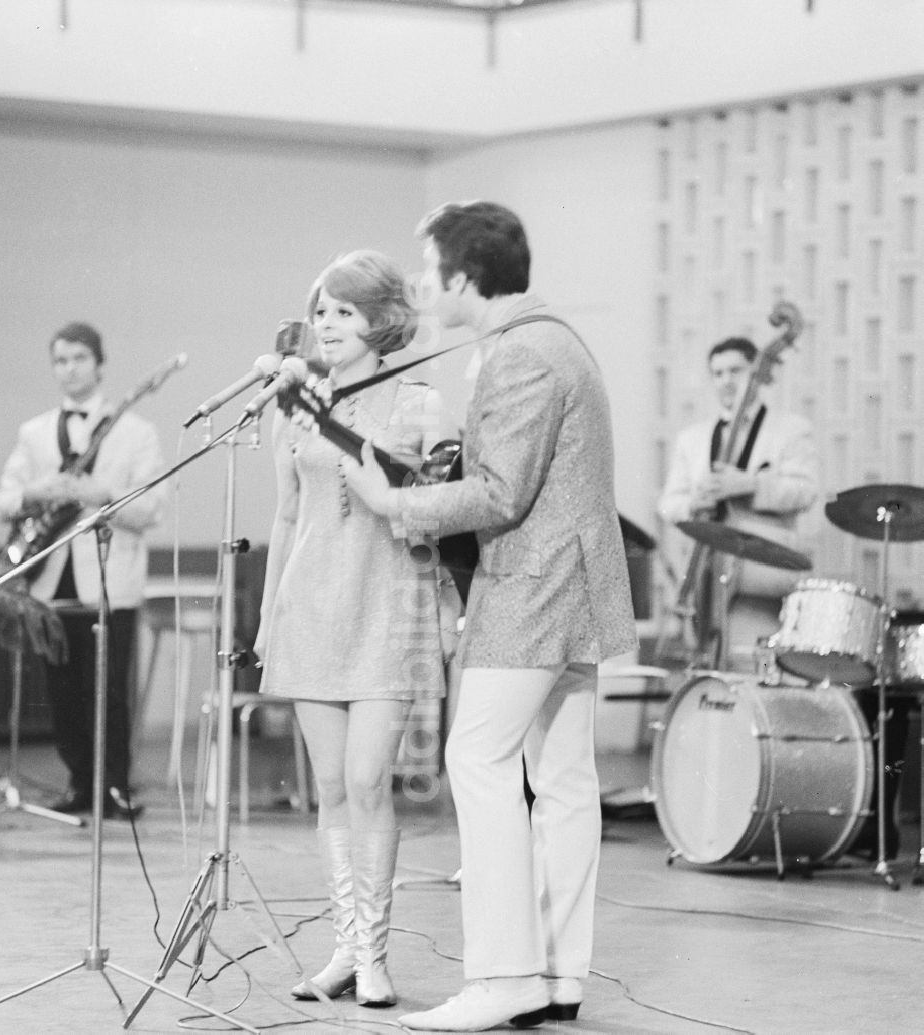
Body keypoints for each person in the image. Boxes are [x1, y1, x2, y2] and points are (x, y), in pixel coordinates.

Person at [343, 202, 637, 1031]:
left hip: (535, 588)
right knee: (564, 780)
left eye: (431, 272)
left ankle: (506, 975)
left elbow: (501, 493)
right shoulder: (546, 339)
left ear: (466, 278)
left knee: (477, 756)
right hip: (564, 583)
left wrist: (387, 497)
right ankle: (554, 972)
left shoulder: (523, 353)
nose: (423, 286)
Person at [256, 250, 447, 1008]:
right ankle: (344, 947)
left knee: (370, 781)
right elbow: (284, 516)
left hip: (386, 603)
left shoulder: (419, 399)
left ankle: (374, 953)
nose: (327, 323)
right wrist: (269, 615)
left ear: (380, 320)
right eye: (321, 310)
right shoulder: (295, 405)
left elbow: (430, 498)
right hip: (310, 605)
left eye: (344, 310)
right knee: (332, 786)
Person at [0, 321, 165, 819]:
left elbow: (152, 508)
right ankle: (78, 783)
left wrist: (104, 495)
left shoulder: (136, 432)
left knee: (109, 691)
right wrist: (38, 491)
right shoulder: (33, 432)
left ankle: (114, 786)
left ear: (99, 363)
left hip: (110, 584)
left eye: (79, 359)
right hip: (50, 579)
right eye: (60, 361)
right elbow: (3, 500)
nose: (69, 370)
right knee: (63, 692)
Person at [657, 336, 818, 670]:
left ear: (758, 372)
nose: (726, 381)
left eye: (735, 370)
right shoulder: (692, 438)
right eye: (717, 373)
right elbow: (668, 503)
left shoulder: (790, 429)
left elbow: (805, 492)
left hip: (759, 575)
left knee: (749, 669)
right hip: (705, 575)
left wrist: (750, 484)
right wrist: (693, 502)